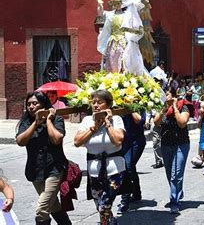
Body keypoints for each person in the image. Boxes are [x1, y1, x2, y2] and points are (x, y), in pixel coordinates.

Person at [16, 91, 72, 225]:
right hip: (35, 170)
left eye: (35, 103)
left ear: (43, 104)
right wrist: (35, 123)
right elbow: (20, 141)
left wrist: (48, 121)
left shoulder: (56, 119)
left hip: (54, 168)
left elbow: (57, 139)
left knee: (42, 210)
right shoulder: (26, 121)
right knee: (53, 206)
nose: (31, 107)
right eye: (28, 104)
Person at [74, 90, 126, 225]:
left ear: (108, 105)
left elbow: (118, 140)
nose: (96, 105)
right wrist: (93, 128)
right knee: (100, 206)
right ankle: (112, 222)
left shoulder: (117, 120)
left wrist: (107, 123)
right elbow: (77, 142)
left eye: (100, 102)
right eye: (94, 102)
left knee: (104, 205)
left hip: (115, 168)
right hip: (94, 169)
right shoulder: (86, 121)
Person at [154, 87, 192, 214]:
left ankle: (174, 200)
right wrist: (164, 108)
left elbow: (182, 123)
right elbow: (156, 122)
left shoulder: (183, 106)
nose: (165, 97)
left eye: (167, 94)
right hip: (166, 144)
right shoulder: (162, 108)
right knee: (170, 173)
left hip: (181, 144)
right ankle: (178, 192)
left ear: (174, 95)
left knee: (176, 173)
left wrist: (175, 107)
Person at [117, 112, 147, 214]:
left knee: (128, 166)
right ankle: (136, 193)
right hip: (123, 142)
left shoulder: (138, 105)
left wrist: (130, 108)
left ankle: (125, 200)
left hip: (136, 141)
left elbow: (140, 121)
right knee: (129, 167)